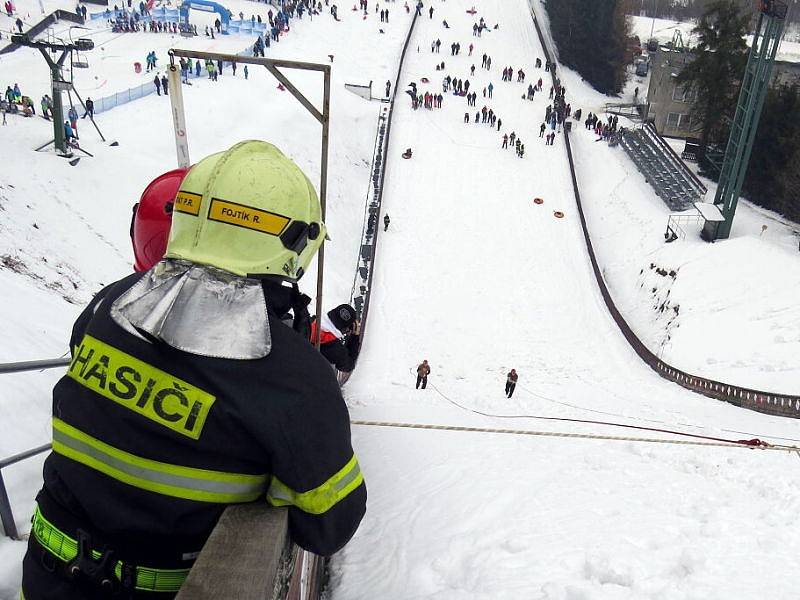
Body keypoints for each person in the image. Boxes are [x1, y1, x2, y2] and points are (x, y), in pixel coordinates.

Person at [21, 141, 367, 600]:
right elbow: (331, 524)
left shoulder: (108, 306)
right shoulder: (294, 378)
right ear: (297, 243)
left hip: (46, 576)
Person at [310, 304, 361, 372]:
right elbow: (348, 366)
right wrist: (354, 336)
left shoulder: (308, 321)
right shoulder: (336, 350)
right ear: (345, 328)